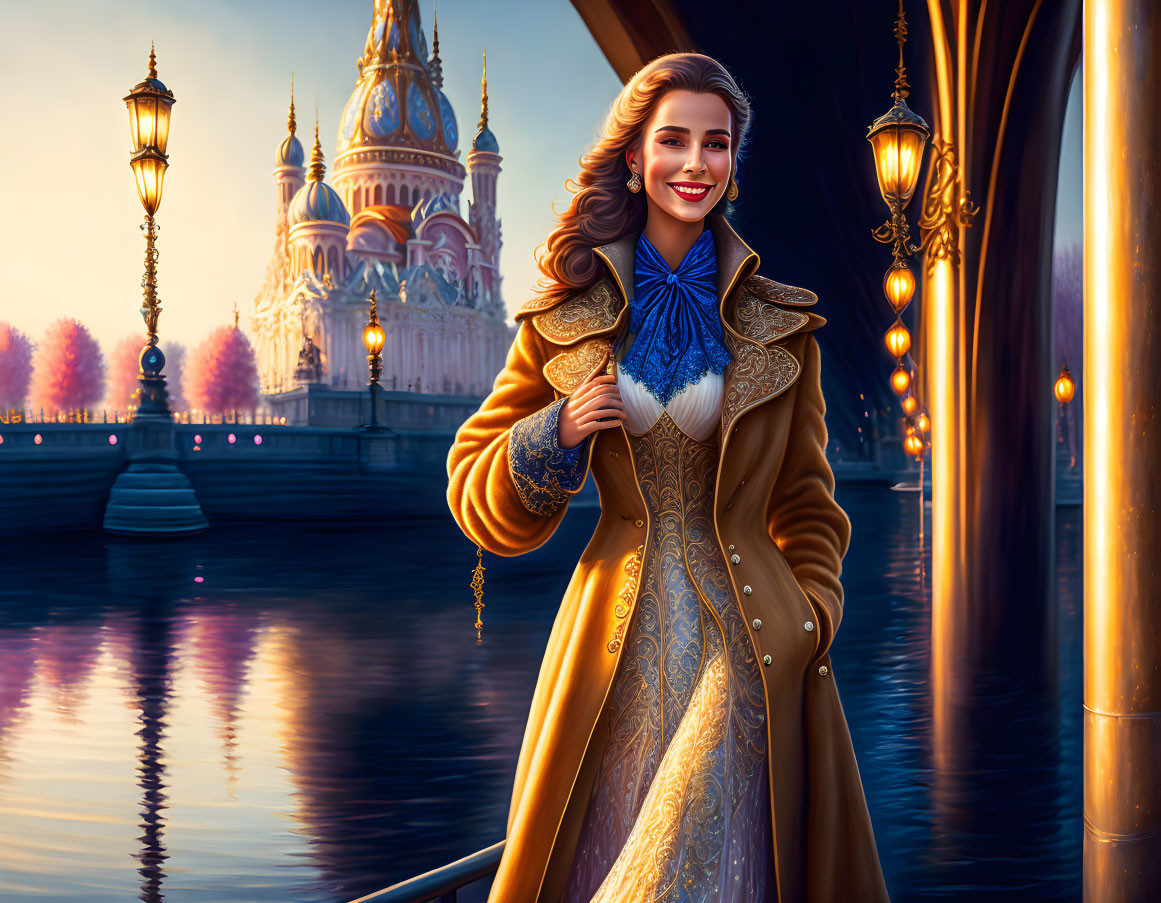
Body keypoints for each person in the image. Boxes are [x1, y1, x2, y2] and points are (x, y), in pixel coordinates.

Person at [447, 52, 889, 903]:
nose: (695, 164)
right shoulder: (565, 317)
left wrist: (811, 614)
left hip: (755, 637)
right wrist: (559, 428)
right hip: (611, 636)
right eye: (675, 141)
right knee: (606, 834)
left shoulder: (783, 329)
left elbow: (809, 505)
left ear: (733, 161)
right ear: (634, 156)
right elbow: (475, 489)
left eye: (716, 144)